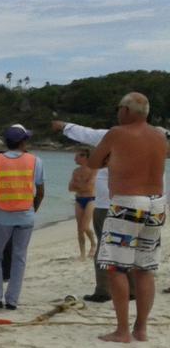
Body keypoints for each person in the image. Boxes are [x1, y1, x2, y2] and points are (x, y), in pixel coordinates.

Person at [87, 92, 167, 343]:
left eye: (119, 108)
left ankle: (122, 330)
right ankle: (141, 329)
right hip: (156, 204)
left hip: (127, 204)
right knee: (145, 268)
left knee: (116, 267)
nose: (117, 112)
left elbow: (93, 162)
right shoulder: (159, 135)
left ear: (127, 111)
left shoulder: (117, 133)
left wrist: (111, 159)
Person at [52, 120, 135, 303]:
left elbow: (87, 133)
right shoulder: (149, 139)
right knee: (125, 245)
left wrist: (65, 126)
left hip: (108, 203)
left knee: (105, 247)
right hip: (134, 201)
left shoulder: (114, 135)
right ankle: (132, 288)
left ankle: (103, 290)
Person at [0, 124, 45, 310]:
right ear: (23, 141)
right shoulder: (36, 161)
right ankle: (12, 300)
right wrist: (33, 209)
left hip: (1, 216)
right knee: (19, 258)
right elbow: (40, 191)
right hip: (25, 215)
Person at [69, 149, 98, 261]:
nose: (75, 159)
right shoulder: (76, 171)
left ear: (85, 157)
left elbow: (89, 187)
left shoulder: (93, 170)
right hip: (79, 199)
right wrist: (82, 184)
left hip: (90, 199)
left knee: (85, 227)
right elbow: (70, 187)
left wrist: (78, 184)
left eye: (77, 156)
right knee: (79, 229)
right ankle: (82, 254)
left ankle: (93, 244)